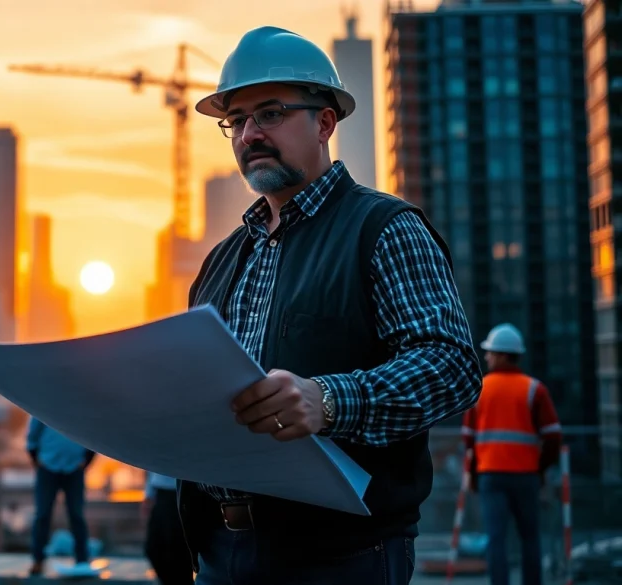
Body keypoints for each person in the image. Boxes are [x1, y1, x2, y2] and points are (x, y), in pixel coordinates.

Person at [180, 26, 483, 584]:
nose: (249, 134)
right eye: (236, 121)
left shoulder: (384, 228)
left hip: (343, 557)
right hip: (221, 551)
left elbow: (450, 367)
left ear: (324, 124)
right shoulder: (222, 261)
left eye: (270, 114)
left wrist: (329, 400)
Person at [462, 324, 562, 585]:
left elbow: (469, 439)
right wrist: (541, 469)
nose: (487, 357)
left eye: (491, 352)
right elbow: (553, 436)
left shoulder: (479, 389)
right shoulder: (534, 389)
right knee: (530, 538)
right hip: (526, 476)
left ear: (503, 355)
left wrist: (472, 475)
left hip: (491, 476)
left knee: (496, 539)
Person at [26, 416, 96, 576]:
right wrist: (37, 460)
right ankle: (38, 560)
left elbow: (92, 435)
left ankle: (82, 560)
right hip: (48, 468)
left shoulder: (82, 411)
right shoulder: (43, 409)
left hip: (74, 469)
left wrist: (86, 460)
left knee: (77, 515)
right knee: (42, 514)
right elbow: (32, 437)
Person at [142, 472, 192, 585]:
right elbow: (152, 469)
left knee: (178, 549)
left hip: (181, 490)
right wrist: (149, 494)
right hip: (161, 494)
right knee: (154, 548)